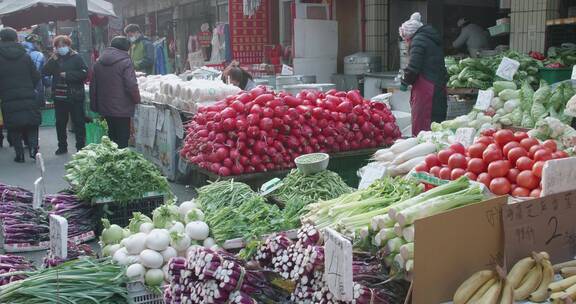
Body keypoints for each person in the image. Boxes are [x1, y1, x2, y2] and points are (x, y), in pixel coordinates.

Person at [399, 12, 448, 136]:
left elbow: (414, 66)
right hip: (438, 85)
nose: (405, 41)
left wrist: (405, 81)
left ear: (409, 35)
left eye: (405, 38)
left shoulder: (418, 40)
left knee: (424, 126)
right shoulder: (430, 38)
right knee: (437, 124)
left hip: (428, 89)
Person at [90, 36, 140, 148]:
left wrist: (95, 106)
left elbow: (93, 85)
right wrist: (137, 99)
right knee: (123, 137)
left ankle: (113, 160)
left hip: (105, 107)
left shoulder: (99, 62)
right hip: (122, 107)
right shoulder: (125, 61)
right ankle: (119, 161)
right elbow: (131, 85)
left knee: (112, 136)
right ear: (126, 48)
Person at [0, 27, 41, 162]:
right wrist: (29, 87)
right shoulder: (25, 55)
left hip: (8, 97)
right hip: (27, 94)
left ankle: (19, 155)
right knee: (32, 123)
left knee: (14, 126)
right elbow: (36, 76)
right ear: (15, 38)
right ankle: (34, 149)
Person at [43, 35, 88, 154]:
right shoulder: (55, 58)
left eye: (63, 45)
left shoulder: (76, 57)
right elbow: (45, 71)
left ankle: (80, 147)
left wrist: (68, 75)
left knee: (78, 121)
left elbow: (84, 73)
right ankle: (62, 146)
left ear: (68, 45)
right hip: (59, 96)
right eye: (58, 46)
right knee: (60, 123)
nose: (61, 48)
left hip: (74, 95)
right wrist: (53, 59)